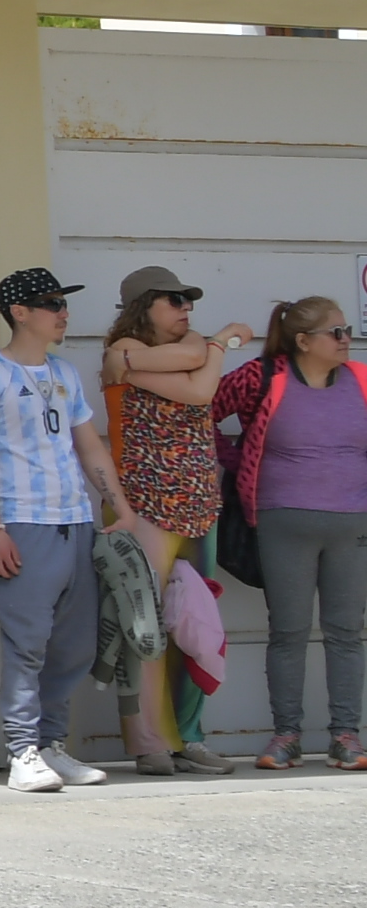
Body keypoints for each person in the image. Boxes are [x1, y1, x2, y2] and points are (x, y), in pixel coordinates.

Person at [0, 267, 129, 795]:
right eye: (52, 303)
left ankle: (52, 744)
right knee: (27, 643)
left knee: (74, 645)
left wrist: (118, 508)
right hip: (22, 521)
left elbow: (89, 444)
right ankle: (22, 750)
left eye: (63, 303)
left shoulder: (65, 372)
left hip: (75, 520)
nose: (63, 313)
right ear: (20, 312)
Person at [98, 265, 256, 774]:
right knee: (143, 627)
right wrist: (218, 345)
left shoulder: (188, 347)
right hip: (143, 507)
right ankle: (149, 742)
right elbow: (200, 389)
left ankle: (189, 736)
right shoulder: (121, 351)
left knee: (194, 620)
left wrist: (208, 348)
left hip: (197, 507)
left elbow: (196, 371)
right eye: (174, 300)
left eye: (188, 300)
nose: (186, 308)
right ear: (142, 306)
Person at [216, 296, 367, 770]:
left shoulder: (361, 380)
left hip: (352, 524)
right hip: (282, 522)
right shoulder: (262, 377)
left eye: (347, 330)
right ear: (303, 341)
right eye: (336, 332)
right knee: (289, 631)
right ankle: (287, 736)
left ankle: (346, 736)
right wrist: (238, 459)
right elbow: (203, 410)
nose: (346, 340)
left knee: (346, 632)